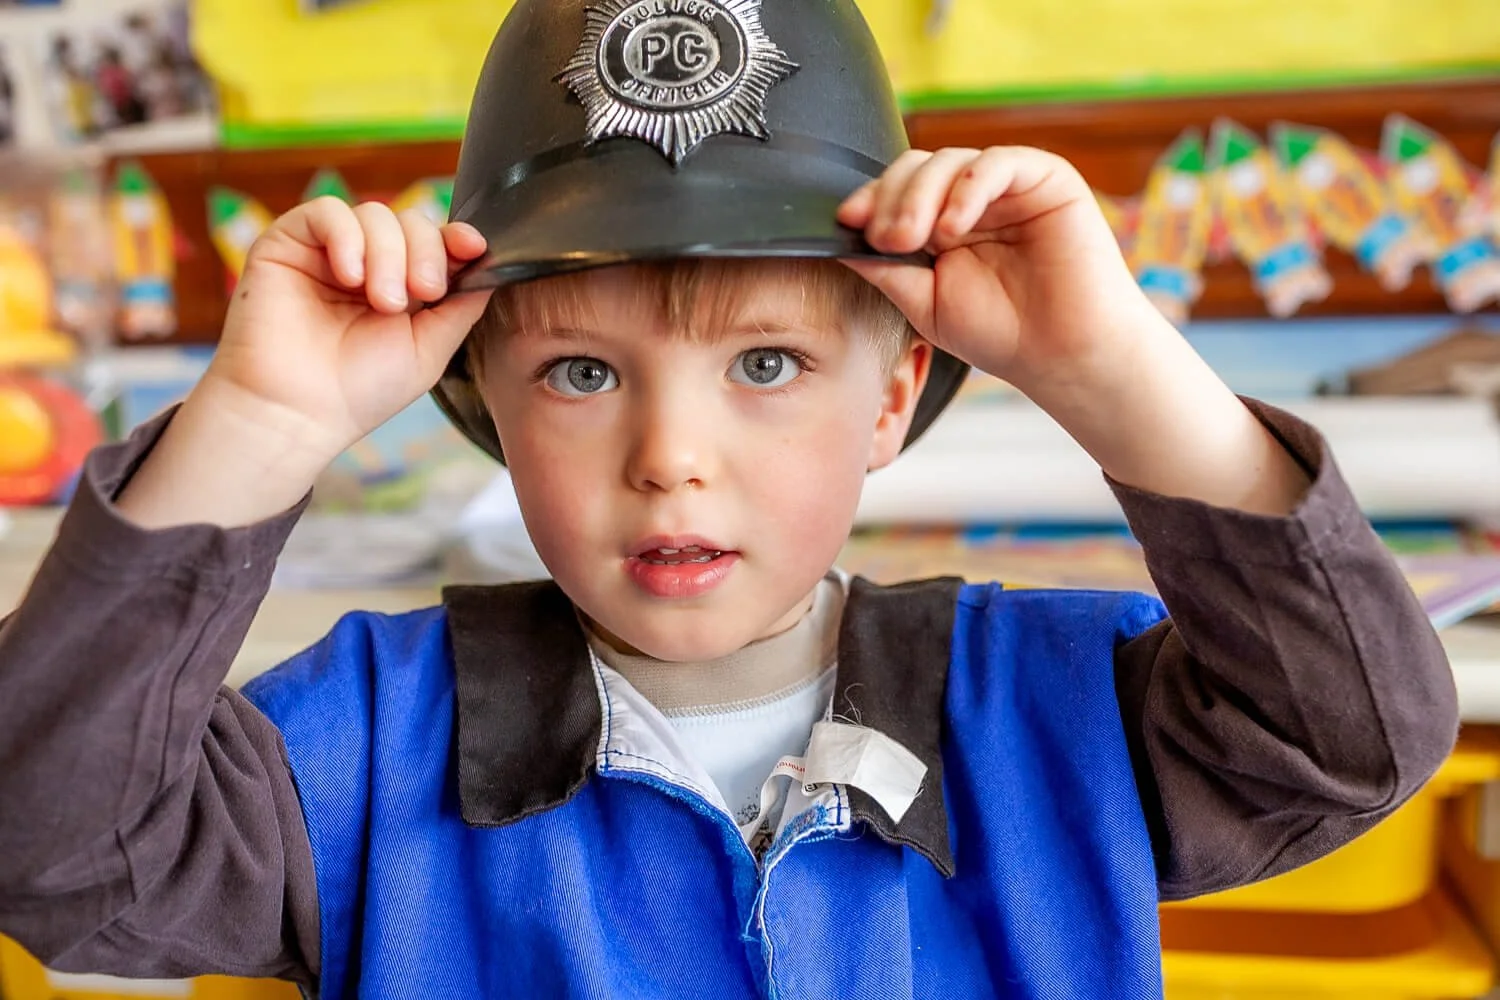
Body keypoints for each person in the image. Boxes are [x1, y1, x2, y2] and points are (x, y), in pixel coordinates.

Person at [0, 1, 1456, 997]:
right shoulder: (361, 742)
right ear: (483, 407)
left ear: (893, 398)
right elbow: (52, 848)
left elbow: (1351, 738)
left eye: (768, 359)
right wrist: (261, 423)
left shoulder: (1048, 709)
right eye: (579, 374)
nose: (669, 457)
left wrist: (1111, 366)